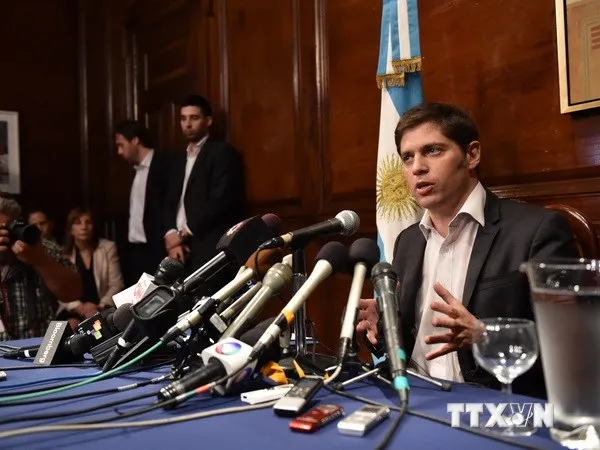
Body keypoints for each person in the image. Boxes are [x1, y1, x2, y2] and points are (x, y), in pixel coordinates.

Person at [357, 102, 578, 398]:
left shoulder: (536, 231)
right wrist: (384, 329)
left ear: (471, 155)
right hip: (414, 398)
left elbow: (571, 342)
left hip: (493, 405)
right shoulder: (407, 242)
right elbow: (408, 346)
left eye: (432, 150)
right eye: (407, 157)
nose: (417, 167)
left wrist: (485, 336)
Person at [163, 94, 245, 304]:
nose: (187, 124)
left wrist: (183, 233)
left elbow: (221, 201)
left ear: (208, 121)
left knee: (208, 306)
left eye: (194, 118)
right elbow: (169, 202)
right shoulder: (177, 159)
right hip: (179, 250)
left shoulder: (222, 152)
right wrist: (173, 238)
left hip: (208, 246)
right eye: (183, 118)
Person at [0, 194, 82, 341]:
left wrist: (40, 260)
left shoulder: (40, 248)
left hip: (41, 349)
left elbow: (74, 292)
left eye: (6, 230)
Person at [114, 120, 174, 285]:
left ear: (135, 140)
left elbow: (171, 206)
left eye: (121, 145)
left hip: (159, 250)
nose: (119, 151)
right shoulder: (133, 171)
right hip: (135, 252)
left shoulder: (165, 165)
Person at [61, 208, 124, 329]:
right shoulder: (63, 254)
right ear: (71, 229)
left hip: (102, 306)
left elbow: (117, 284)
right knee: (71, 327)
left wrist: (100, 306)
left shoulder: (108, 247)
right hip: (74, 308)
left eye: (88, 222)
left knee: (98, 328)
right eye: (78, 223)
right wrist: (80, 308)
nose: (84, 227)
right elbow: (60, 289)